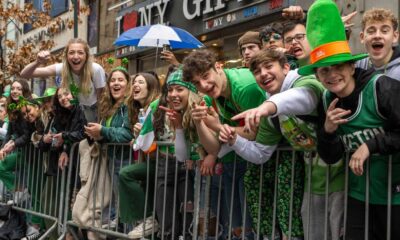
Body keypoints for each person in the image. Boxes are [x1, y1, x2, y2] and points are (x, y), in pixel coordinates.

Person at [296, 0, 400, 239]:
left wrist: (369, 145)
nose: (332, 75)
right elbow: (331, 156)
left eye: (338, 66)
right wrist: (328, 131)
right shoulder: (326, 100)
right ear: (317, 75)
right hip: (359, 196)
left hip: (395, 195)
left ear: (352, 66)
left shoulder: (382, 88)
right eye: (324, 70)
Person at [182, 49, 267, 239]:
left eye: (206, 76)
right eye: (197, 83)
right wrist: (199, 123)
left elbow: (254, 133)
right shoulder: (214, 94)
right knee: (238, 227)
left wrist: (217, 125)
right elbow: (214, 148)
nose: (204, 85)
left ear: (218, 67)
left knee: (252, 227)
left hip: (263, 161)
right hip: (241, 159)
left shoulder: (245, 87)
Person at [20, 38, 106, 122]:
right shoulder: (63, 68)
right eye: (71, 53)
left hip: (97, 107)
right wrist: (37, 62)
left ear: (86, 56)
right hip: (82, 108)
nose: (76, 56)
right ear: (66, 56)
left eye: (80, 53)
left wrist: (100, 123)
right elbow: (24, 74)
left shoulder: (95, 70)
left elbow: (102, 99)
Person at [118, 72, 161, 238]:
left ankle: (147, 219)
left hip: (162, 162)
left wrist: (141, 137)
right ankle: (143, 222)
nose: (135, 85)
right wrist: (138, 138)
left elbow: (159, 138)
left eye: (140, 82)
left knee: (125, 173)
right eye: (134, 82)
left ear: (150, 87)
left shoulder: (156, 107)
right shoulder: (138, 111)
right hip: (149, 160)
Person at [357, 8, 400, 80]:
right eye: (371, 31)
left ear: (395, 36)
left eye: (384, 31)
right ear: (362, 37)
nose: (377, 36)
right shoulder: (356, 67)